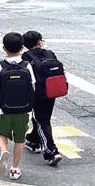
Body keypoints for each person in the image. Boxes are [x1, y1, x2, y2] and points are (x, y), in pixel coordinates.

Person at [0, 32, 35, 181]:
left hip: (5, 108)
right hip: (24, 109)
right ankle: (14, 169)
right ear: (22, 48)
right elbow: (33, 87)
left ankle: (4, 150)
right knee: (19, 139)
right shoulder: (27, 65)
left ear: (4, 48)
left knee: (1, 132)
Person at [22, 30, 63, 167]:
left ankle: (51, 151)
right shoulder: (50, 53)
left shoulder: (26, 56)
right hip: (52, 91)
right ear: (40, 41)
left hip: (36, 93)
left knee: (40, 120)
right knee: (44, 119)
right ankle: (33, 140)